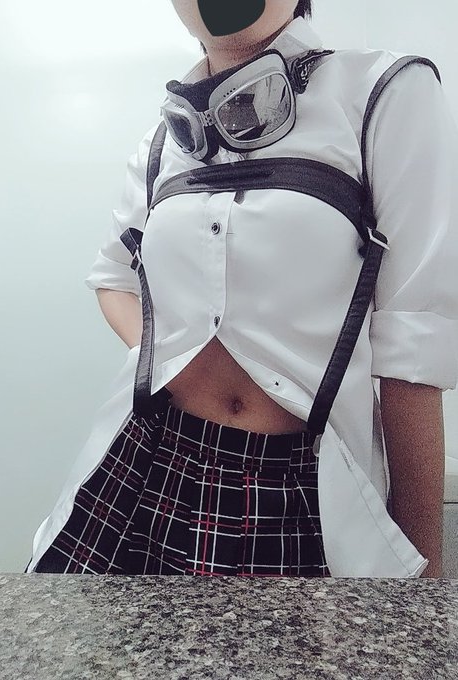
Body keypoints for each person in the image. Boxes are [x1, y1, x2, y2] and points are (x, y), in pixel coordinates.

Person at [25, 0, 458, 578]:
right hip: (148, 461)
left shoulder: (383, 92)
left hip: (300, 485)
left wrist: (425, 582)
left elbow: (414, 346)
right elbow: (112, 277)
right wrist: (167, 354)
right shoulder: (161, 142)